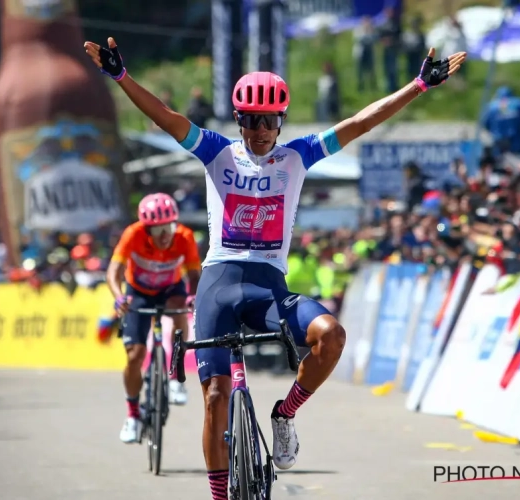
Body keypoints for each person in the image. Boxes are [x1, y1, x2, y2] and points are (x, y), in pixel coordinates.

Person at [85, 36, 465, 499]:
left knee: (332, 335)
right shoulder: (216, 152)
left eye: (269, 121)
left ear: (281, 122)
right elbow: (167, 118)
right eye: (251, 121)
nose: (260, 130)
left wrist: (418, 86)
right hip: (218, 284)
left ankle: (284, 415)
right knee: (215, 399)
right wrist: (122, 76)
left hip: (269, 287)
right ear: (240, 121)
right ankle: (220, 495)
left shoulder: (298, 156)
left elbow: (361, 122)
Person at [106, 192, 201, 443]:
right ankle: (133, 414)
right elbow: (114, 270)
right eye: (157, 229)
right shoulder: (133, 234)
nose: (164, 234)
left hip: (171, 290)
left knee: (180, 312)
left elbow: (194, 275)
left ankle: (175, 377)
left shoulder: (185, 236)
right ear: (146, 229)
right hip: (138, 293)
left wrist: (193, 296)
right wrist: (118, 297)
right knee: (135, 356)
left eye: (169, 226)